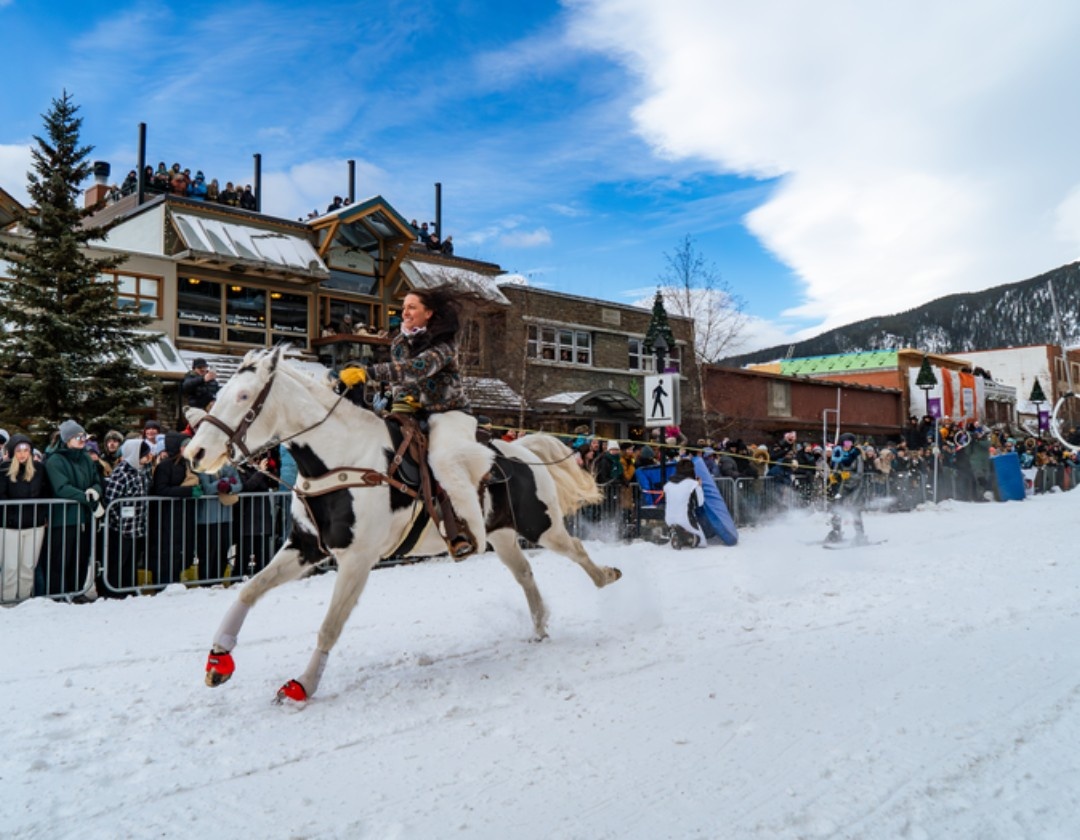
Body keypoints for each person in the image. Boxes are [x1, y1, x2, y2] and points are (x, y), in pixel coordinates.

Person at [337, 286, 491, 559]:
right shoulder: (399, 342)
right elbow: (406, 383)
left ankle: (466, 529)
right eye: (403, 306)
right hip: (415, 412)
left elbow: (416, 369)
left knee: (443, 459)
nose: (404, 312)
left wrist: (368, 372)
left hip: (449, 413)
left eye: (412, 307)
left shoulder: (444, 346)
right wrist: (400, 403)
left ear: (428, 313)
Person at [43, 420, 104, 598]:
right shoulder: (55, 460)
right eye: (78, 437)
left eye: (83, 436)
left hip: (83, 518)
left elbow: (96, 480)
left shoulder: (85, 457)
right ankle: (58, 594)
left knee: (81, 557)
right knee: (61, 558)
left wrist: (95, 491)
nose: (82, 440)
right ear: (67, 439)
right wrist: (88, 499)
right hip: (64, 518)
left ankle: (77, 591)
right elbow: (62, 488)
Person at [0, 434, 49, 602]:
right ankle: (7, 599)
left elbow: (44, 493)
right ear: (13, 452)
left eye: (26, 450)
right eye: (19, 450)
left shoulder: (39, 469)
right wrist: (11, 514)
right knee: (11, 567)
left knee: (28, 566)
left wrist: (43, 515)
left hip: (34, 524)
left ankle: (25, 599)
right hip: (10, 525)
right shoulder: (4, 469)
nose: (22, 454)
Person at [102, 439, 153, 596]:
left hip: (137, 526)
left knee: (132, 561)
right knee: (118, 561)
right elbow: (111, 499)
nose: (147, 457)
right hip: (122, 527)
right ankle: (115, 591)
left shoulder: (142, 471)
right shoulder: (121, 472)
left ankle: (129, 588)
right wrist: (118, 520)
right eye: (143, 455)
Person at [663, 458, 706, 549]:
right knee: (702, 542)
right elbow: (700, 502)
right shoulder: (693, 484)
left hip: (669, 519)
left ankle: (676, 533)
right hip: (685, 518)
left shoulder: (668, 485)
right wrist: (699, 486)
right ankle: (683, 536)